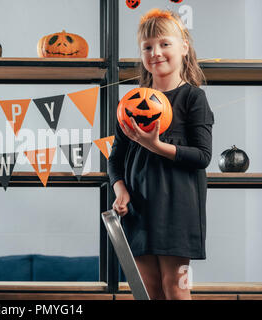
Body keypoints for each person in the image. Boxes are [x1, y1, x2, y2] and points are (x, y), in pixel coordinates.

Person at [108, 8, 214, 300]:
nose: (156, 52)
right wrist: (120, 190)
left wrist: (155, 146)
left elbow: (202, 156)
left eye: (164, 44)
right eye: (147, 47)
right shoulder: (131, 102)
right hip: (138, 209)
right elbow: (114, 160)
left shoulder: (193, 98)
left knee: (175, 287)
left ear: (184, 47)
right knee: (146, 288)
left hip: (178, 209)